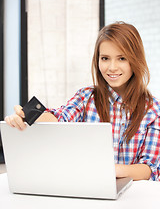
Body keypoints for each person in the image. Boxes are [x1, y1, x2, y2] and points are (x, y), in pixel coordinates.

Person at [5, 22, 160, 181]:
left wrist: (109, 170)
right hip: (87, 190)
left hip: (132, 197)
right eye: (105, 58)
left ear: (135, 60)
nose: (112, 67)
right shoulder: (86, 98)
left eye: (122, 58)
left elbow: (150, 168)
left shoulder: (153, 109)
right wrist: (27, 114)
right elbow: (60, 118)